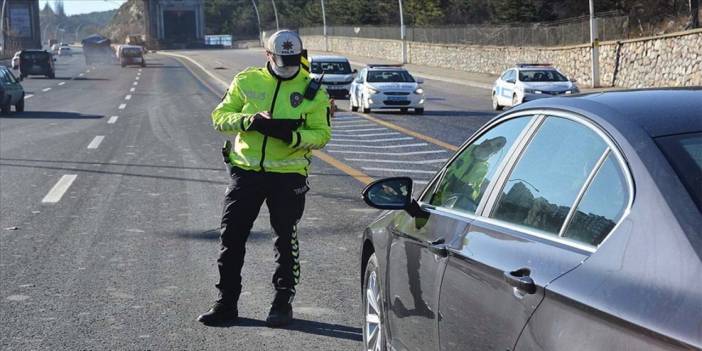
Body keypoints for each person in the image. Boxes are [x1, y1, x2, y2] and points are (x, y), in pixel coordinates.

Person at [198, 30, 332, 327]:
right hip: (246, 173)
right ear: (268, 55)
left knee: (285, 239)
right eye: (282, 61)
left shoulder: (313, 90)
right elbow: (219, 117)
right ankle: (226, 303)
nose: (288, 68)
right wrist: (250, 121)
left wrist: (292, 135)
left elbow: (322, 135)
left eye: (293, 62)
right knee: (231, 237)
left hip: (288, 175)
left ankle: (282, 302)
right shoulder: (247, 81)